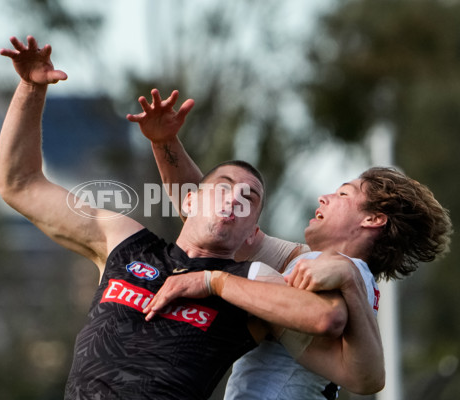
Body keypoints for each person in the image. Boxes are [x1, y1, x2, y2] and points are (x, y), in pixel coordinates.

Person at [0, 36, 367, 400]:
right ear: (189, 201)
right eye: (223, 186)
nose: (234, 197)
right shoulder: (126, 244)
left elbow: (326, 319)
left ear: (252, 232)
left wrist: (213, 282)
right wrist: (30, 88)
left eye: (249, 197)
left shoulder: (250, 281)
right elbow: (19, 183)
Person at [127, 89, 453, 399]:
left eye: (342, 194)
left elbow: (366, 375)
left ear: (373, 220)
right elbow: (212, 217)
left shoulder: (344, 270)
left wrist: (214, 282)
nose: (324, 197)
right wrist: (164, 142)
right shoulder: (317, 262)